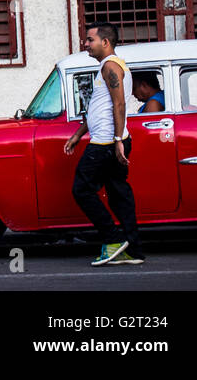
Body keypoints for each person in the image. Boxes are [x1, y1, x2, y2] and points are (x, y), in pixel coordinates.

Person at [63, 22, 142, 265]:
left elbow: (120, 105)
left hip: (107, 142)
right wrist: (78, 135)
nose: (86, 44)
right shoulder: (108, 67)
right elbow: (100, 107)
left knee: (82, 189)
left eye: (90, 40)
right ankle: (132, 249)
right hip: (110, 140)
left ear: (105, 42)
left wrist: (117, 140)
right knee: (119, 193)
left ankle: (113, 239)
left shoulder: (110, 67)